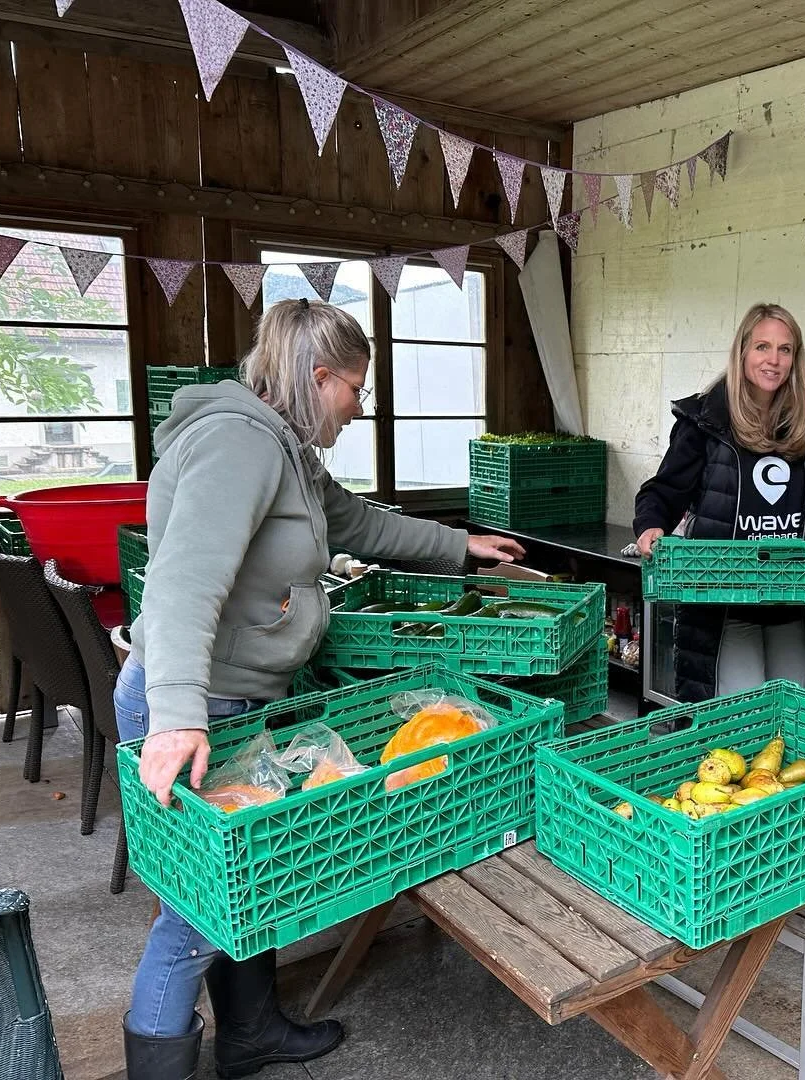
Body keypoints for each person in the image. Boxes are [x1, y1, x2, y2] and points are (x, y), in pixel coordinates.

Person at [116, 298, 524, 1079]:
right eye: (355, 389)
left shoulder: (290, 452)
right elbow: (181, 585)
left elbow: (358, 524)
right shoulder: (237, 445)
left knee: (247, 884)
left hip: (237, 698)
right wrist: (174, 718)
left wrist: (460, 547)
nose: (359, 406)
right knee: (196, 912)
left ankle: (250, 1032)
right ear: (318, 376)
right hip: (199, 708)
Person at [632, 302, 805, 702]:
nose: (774, 360)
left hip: (794, 601)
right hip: (728, 602)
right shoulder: (705, 423)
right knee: (741, 712)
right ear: (743, 351)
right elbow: (664, 489)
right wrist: (650, 523)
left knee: (792, 709)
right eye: (763, 347)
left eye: (785, 350)